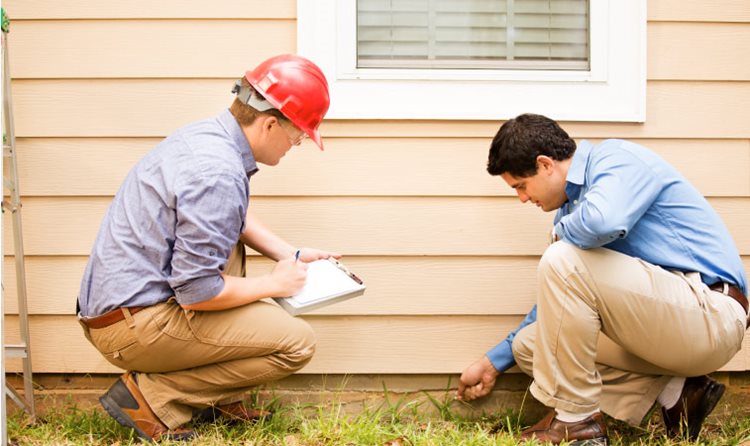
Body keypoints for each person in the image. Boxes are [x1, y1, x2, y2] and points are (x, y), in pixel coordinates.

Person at [77, 54, 340, 442]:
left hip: (125, 309)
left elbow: (230, 218)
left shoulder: (209, 138)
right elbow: (198, 291)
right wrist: (275, 284)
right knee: (297, 343)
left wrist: (290, 255)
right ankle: (153, 399)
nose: (298, 142)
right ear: (269, 123)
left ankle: (211, 397)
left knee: (225, 247)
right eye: (299, 133)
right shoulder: (216, 172)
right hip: (133, 326)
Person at [457, 113, 748, 444]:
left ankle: (577, 421)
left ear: (545, 164)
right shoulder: (571, 215)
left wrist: (559, 236)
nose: (522, 198)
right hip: (666, 327)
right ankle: (677, 392)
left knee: (562, 259)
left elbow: (604, 222)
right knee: (531, 345)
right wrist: (493, 363)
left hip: (710, 313)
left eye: (521, 186)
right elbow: (560, 307)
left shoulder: (615, 160)